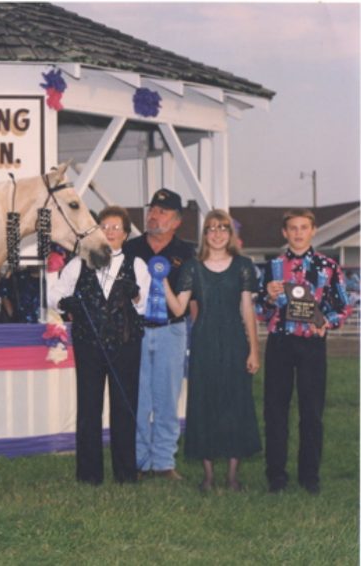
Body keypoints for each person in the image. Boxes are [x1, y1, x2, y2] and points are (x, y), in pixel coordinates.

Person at [49, 205, 151, 485]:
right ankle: (89, 475)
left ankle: (126, 473)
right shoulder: (79, 263)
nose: (110, 232)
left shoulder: (137, 264)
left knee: (124, 409)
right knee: (89, 409)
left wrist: (135, 295)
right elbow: (54, 293)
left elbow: (143, 307)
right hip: (88, 344)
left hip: (125, 345)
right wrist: (62, 303)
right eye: (105, 227)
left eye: (116, 227)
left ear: (126, 233)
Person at [163, 210, 261, 491]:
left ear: (230, 234)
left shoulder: (243, 265)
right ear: (205, 235)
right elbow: (180, 308)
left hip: (234, 342)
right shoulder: (192, 268)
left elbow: (247, 310)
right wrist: (162, 283)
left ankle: (232, 475)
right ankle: (208, 476)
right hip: (204, 342)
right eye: (211, 228)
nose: (217, 233)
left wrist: (254, 350)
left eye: (223, 228)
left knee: (235, 404)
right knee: (204, 404)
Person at [256, 209, 352, 494]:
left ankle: (309, 475)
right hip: (280, 342)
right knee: (275, 410)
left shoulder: (328, 266)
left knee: (311, 411)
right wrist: (270, 298)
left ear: (313, 231)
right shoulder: (271, 267)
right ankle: (276, 475)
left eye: (303, 227)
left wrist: (328, 324)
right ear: (285, 233)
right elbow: (260, 310)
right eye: (292, 228)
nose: (298, 233)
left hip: (311, 343)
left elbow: (343, 305)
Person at [125, 188, 195, 480]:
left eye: (162, 212)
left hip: (171, 331)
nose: (154, 216)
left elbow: (192, 299)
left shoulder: (188, 252)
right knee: (137, 398)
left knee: (167, 398)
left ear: (177, 220)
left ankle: (164, 462)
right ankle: (140, 461)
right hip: (136, 332)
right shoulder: (129, 249)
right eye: (152, 210)